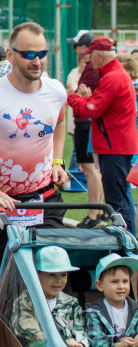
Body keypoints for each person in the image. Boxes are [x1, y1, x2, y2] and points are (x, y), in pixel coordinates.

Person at [0, 22, 69, 313]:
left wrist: (58, 161)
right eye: (28, 54)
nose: (37, 61)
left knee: (50, 267)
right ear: (10, 56)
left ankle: (43, 333)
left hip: (43, 199)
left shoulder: (55, 91)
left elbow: (59, 123)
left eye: (42, 53)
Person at [67, 36, 138, 234]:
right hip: (116, 144)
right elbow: (97, 106)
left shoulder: (113, 77)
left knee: (117, 200)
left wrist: (71, 97)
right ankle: (128, 241)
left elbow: (92, 108)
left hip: (114, 146)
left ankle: (126, 243)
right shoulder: (114, 75)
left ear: (99, 55)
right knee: (120, 197)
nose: (88, 60)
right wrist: (84, 99)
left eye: (90, 55)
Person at [9, 245, 88, 347]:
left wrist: (80, 344)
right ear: (37, 275)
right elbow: (28, 332)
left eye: (63, 275)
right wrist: (64, 343)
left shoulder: (72, 303)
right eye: (52, 275)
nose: (59, 281)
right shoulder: (25, 301)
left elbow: (80, 327)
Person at [65, 31, 106, 228]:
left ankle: (94, 214)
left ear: (85, 49)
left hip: (85, 123)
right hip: (86, 122)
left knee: (90, 169)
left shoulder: (91, 69)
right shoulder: (92, 69)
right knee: (93, 170)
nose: (77, 50)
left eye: (79, 46)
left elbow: (84, 98)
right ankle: (97, 212)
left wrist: (71, 95)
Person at [86, 254, 138, 347]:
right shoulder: (94, 312)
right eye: (115, 282)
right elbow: (94, 341)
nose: (121, 286)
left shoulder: (135, 308)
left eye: (125, 281)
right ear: (100, 285)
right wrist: (117, 345)